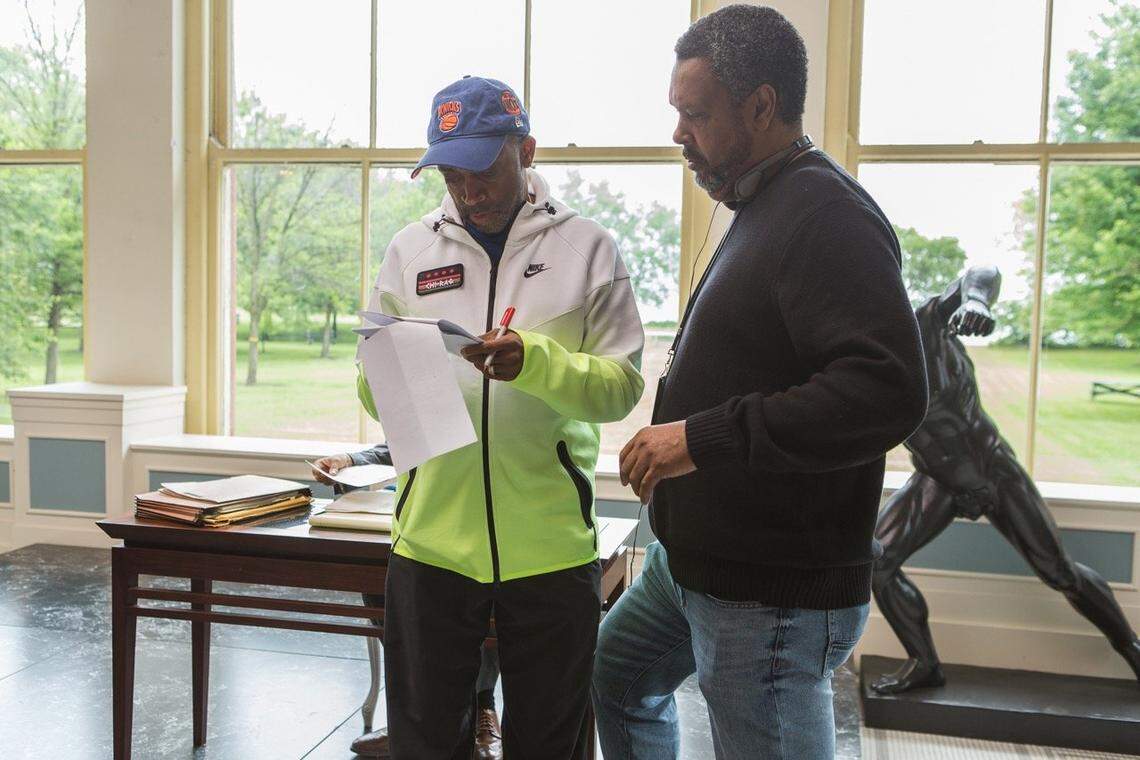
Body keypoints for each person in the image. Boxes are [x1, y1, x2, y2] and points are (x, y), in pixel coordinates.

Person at [591, 6, 928, 759]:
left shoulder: (828, 215)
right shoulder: (759, 202)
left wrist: (701, 437)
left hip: (768, 593)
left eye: (695, 114)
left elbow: (889, 389)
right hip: (694, 567)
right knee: (616, 677)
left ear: (762, 106)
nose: (679, 132)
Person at [351, 76, 645, 759]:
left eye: (483, 169)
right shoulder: (409, 251)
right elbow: (371, 388)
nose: (468, 191)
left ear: (528, 151)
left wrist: (534, 365)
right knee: (425, 743)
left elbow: (620, 388)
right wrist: (383, 377)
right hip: (430, 546)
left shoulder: (589, 249)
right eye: (452, 174)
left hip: (549, 549)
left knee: (548, 742)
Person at [871, 266, 1140, 693]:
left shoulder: (924, 323)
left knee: (1058, 572)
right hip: (935, 479)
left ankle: (1131, 649)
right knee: (877, 564)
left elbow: (980, 272)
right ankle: (925, 663)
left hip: (990, 468)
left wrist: (976, 300)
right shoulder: (856, 361)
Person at [313, 448, 506, 760]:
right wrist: (349, 461)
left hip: (479, 525)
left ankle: (482, 706)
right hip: (417, 523)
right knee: (384, 579)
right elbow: (401, 441)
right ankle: (414, 715)